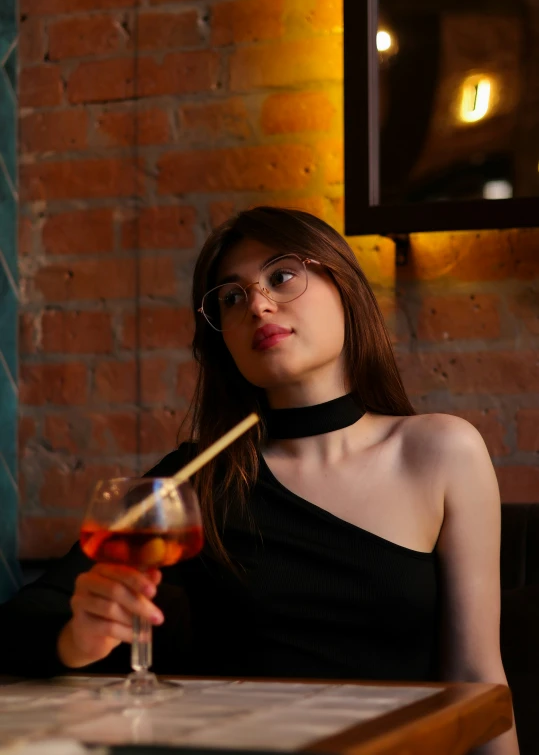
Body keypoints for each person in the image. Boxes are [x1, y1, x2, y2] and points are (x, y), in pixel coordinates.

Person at [1, 207, 518, 754]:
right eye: (231, 296)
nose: (258, 304)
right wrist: (77, 638)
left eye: (281, 275)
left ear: (343, 284)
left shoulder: (440, 451)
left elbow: (477, 678)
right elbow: (22, 620)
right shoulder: (200, 479)